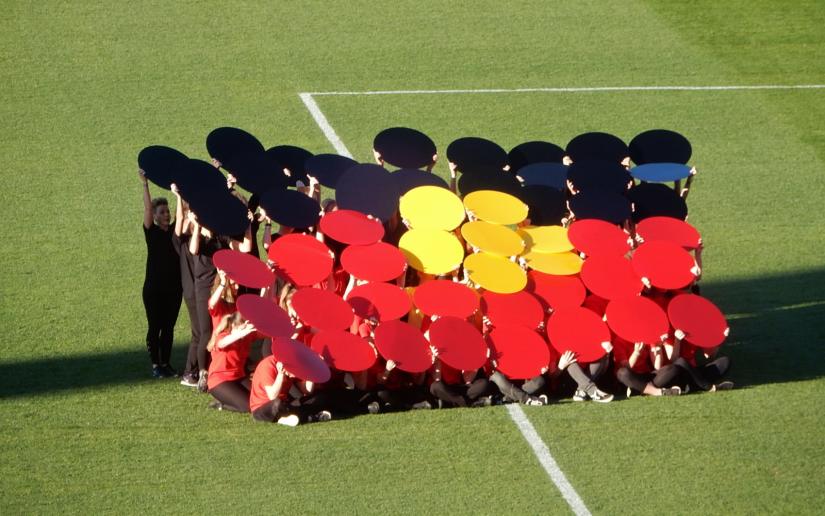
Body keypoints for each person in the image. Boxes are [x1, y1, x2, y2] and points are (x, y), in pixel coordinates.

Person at [138, 169, 182, 378]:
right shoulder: (151, 232)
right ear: (154, 217)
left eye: (167, 211)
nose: (166, 214)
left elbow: (184, 211)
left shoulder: (175, 231)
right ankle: (156, 365)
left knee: (169, 328)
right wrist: (145, 183)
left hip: (174, 289)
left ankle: (166, 363)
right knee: (155, 326)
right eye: (162, 212)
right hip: (154, 290)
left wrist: (180, 194)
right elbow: (147, 208)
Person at [170, 184, 200, 387]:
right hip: (191, 291)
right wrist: (178, 197)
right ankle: (190, 373)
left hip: (199, 289)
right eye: (190, 215)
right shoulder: (180, 240)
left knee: (202, 332)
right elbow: (179, 220)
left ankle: (196, 370)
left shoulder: (200, 237)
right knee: (199, 332)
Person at [206, 312, 258, 412]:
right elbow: (221, 344)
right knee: (247, 407)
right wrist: (239, 334)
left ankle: (230, 398)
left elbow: (266, 332)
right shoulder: (223, 336)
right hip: (220, 381)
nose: (246, 330)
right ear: (234, 325)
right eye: (243, 327)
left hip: (239, 377)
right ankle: (221, 404)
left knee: (259, 399)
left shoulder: (247, 336)